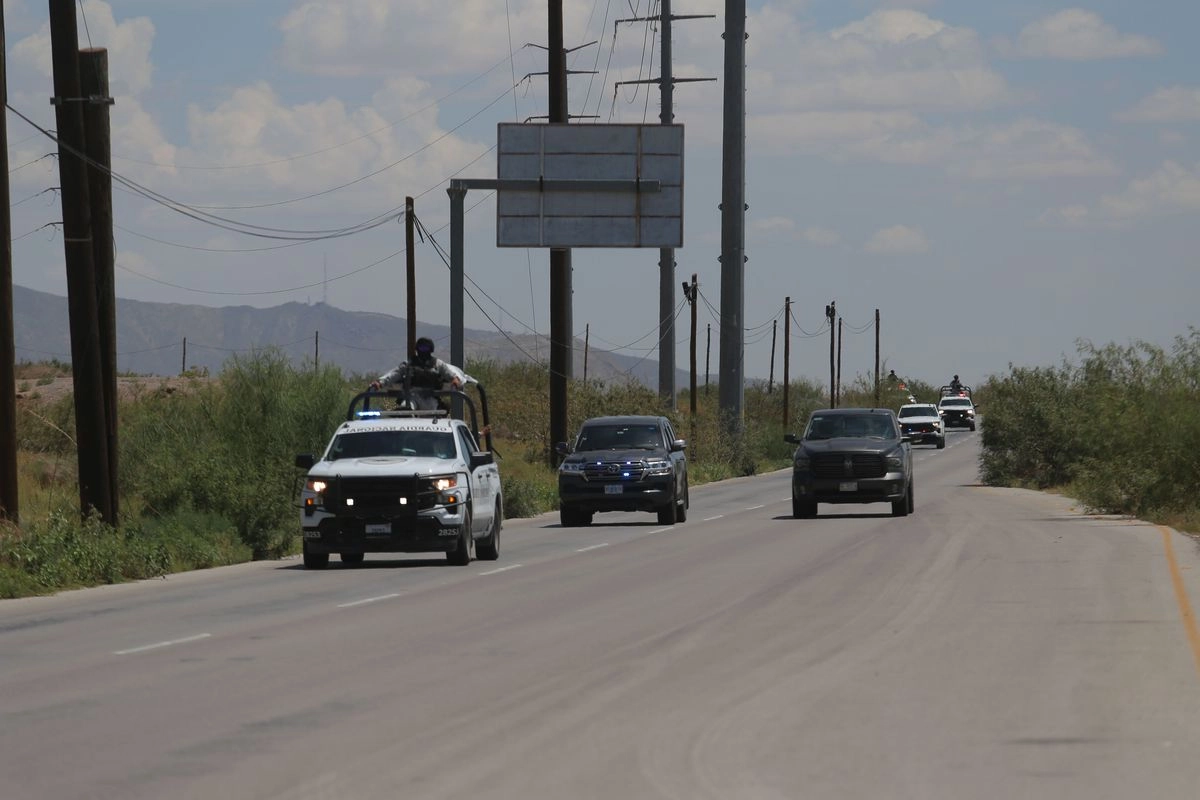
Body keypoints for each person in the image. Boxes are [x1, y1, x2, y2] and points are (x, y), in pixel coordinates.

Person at [370, 337, 465, 409]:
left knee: (435, 413)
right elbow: (394, 374)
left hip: (430, 397)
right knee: (405, 409)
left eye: (426, 348)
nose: (423, 350)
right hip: (412, 396)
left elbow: (450, 374)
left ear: (430, 349)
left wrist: (455, 380)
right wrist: (380, 382)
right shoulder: (409, 363)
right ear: (417, 349)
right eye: (421, 348)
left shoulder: (437, 364)